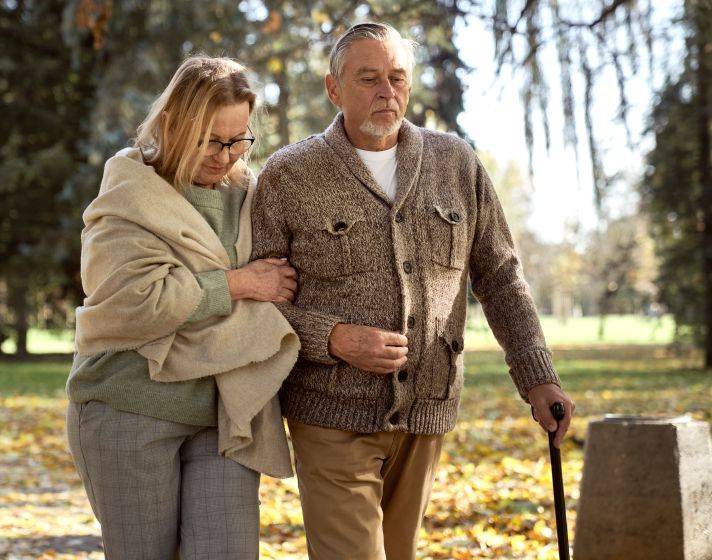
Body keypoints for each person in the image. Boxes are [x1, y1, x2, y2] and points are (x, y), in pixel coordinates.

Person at [250, 22, 576, 560]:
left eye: (397, 78)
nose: (387, 92)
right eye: (369, 78)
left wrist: (539, 378)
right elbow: (261, 301)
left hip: (428, 410)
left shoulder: (457, 162)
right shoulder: (289, 175)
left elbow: (500, 277)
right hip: (330, 414)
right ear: (334, 89)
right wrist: (332, 338)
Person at [66, 56, 300, 560]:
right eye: (210, 140)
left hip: (225, 409)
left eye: (239, 140)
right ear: (172, 126)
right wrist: (237, 283)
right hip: (129, 404)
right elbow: (135, 301)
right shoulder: (130, 195)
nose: (225, 155)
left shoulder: (248, 195)